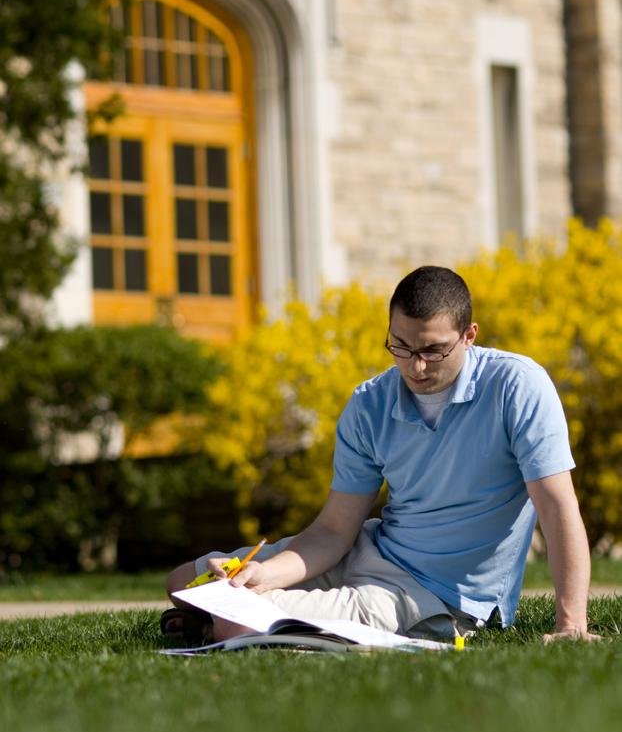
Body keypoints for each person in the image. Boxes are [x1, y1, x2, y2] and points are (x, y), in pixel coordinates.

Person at [165, 266, 600, 644]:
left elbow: (557, 504)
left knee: (236, 622)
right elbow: (335, 530)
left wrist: (571, 623)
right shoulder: (370, 403)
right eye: (401, 347)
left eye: (432, 350)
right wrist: (268, 574)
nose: (416, 367)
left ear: (469, 336)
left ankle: (211, 623)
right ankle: (208, 613)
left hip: (431, 594)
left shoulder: (517, 386)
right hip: (367, 549)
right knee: (186, 582)